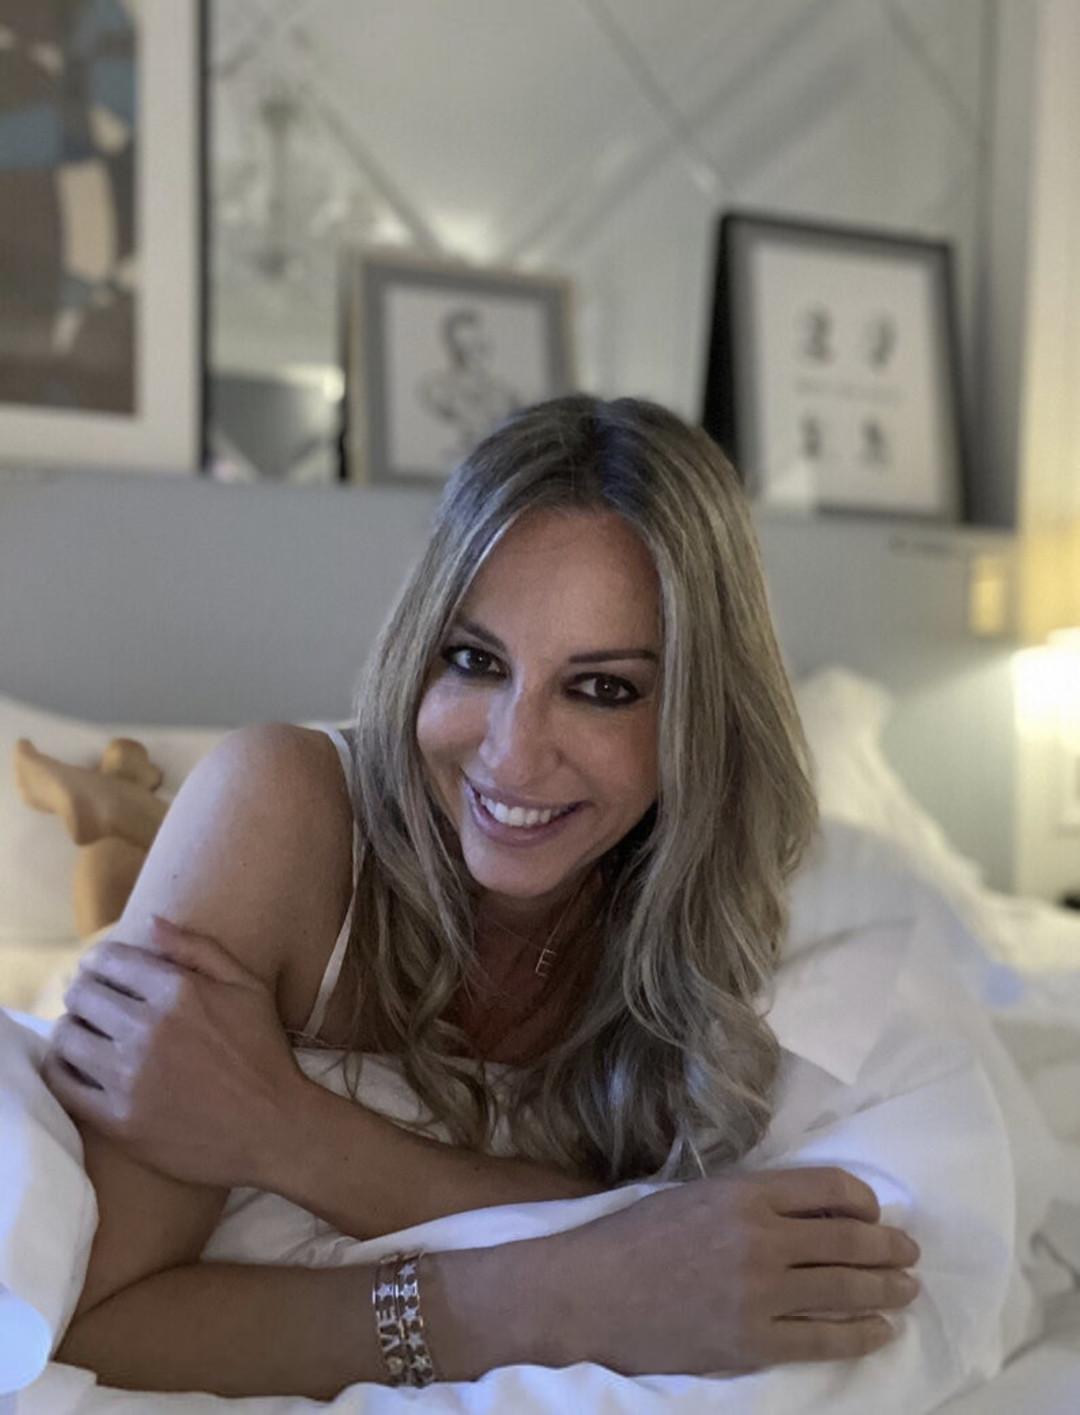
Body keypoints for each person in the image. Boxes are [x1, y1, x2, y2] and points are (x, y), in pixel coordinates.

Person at [43, 395, 921, 1398]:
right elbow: (90, 1324)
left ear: (702, 709)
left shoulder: (741, 893)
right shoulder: (278, 811)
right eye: (475, 660)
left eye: (602, 688)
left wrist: (286, 1131)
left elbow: (713, 1251)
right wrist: (531, 1300)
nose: (512, 753)